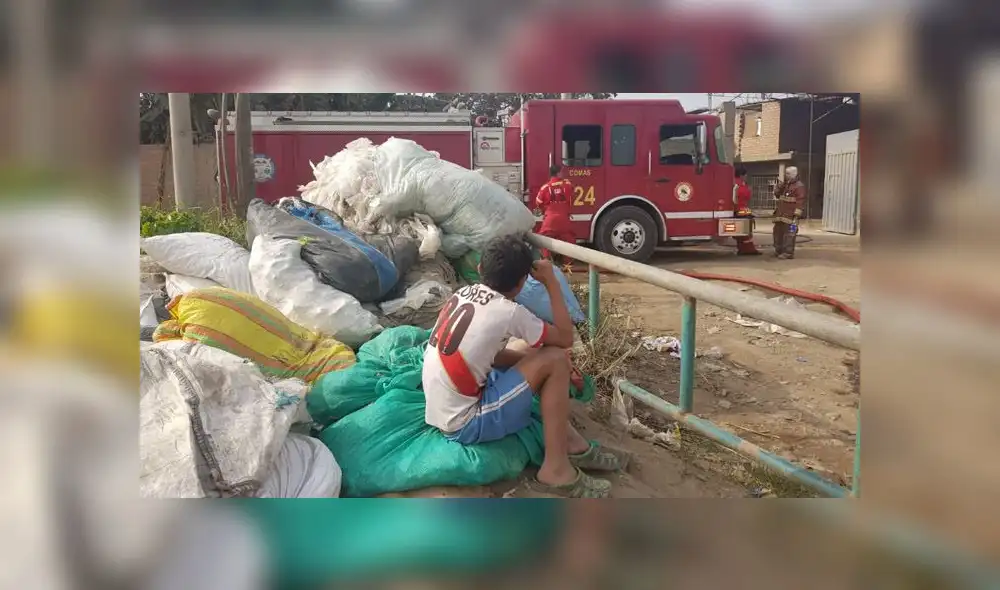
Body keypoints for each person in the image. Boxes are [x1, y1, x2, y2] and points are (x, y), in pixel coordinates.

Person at [422, 235, 621, 498]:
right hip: (464, 422)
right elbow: (564, 338)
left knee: (531, 351)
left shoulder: (463, 294)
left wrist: (530, 362)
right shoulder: (508, 311)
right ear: (521, 283)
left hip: (442, 407)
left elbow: (488, 357)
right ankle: (556, 470)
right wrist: (551, 282)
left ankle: (572, 443)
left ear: (481, 268)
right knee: (556, 361)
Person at [535, 164, 576, 272]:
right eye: (562, 171)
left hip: (550, 220)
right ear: (558, 173)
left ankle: (547, 264)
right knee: (568, 240)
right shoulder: (567, 184)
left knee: (543, 240)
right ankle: (568, 266)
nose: (563, 173)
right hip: (564, 219)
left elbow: (538, 202)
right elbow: (572, 194)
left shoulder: (545, 187)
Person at [772, 166, 806, 259]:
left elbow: (800, 201)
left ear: (793, 174)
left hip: (791, 216)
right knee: (777, 232)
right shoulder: (785, 184)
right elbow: (777, 195)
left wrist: (797, 215)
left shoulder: (799, 186)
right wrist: (779, 187)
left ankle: (788, 253)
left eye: (787, 173)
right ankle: (778, 250)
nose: (785, 175)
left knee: (790, 233)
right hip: (780, 215)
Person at [733, 166, 761, 255]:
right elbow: (744, 198)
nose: (746, 177)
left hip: (738, 209)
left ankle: (742, 248)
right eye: (745, 175)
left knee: (741, 232)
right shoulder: (740, 184)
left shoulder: (734, 182)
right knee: (746, 231)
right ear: (742, 175)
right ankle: (748, 250)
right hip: (740, 209)